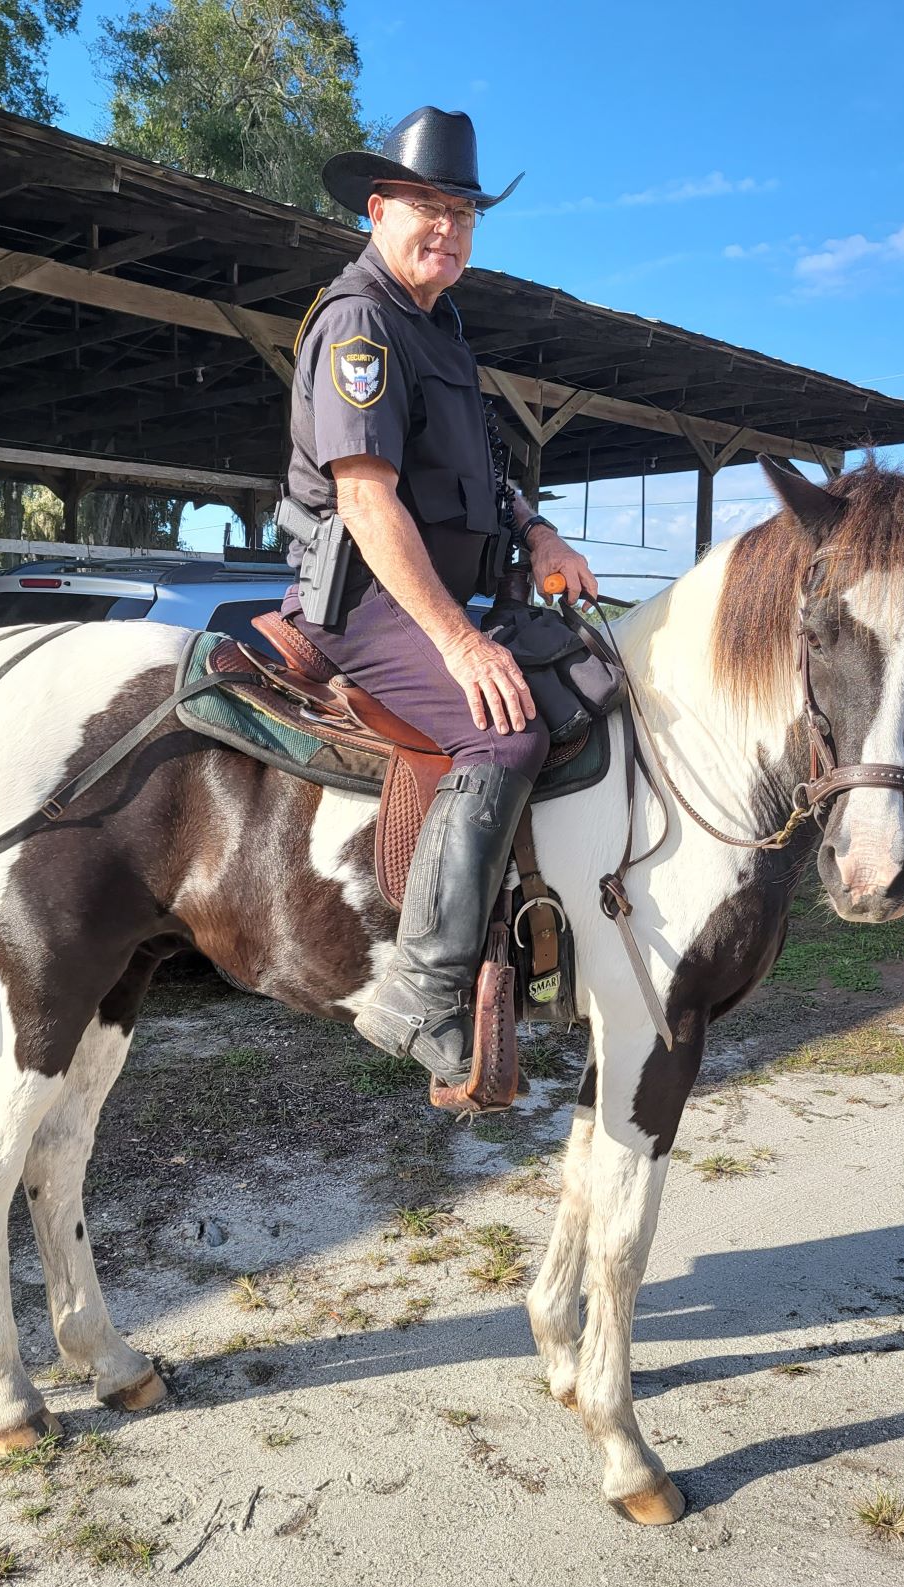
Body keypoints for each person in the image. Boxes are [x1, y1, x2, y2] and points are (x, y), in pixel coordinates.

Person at [281, 107, 598, 1083]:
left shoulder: (441, 328)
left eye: (464, 212)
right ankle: (419, 993)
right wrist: (462, 643)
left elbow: (486, 473)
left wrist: (535, 528)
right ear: (378, 209)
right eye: (429, 207)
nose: (449, 230)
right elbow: (370, 504)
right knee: (502, 728)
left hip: (443, 592)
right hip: (368, 602)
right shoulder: (362, 326)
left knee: (591, 676)